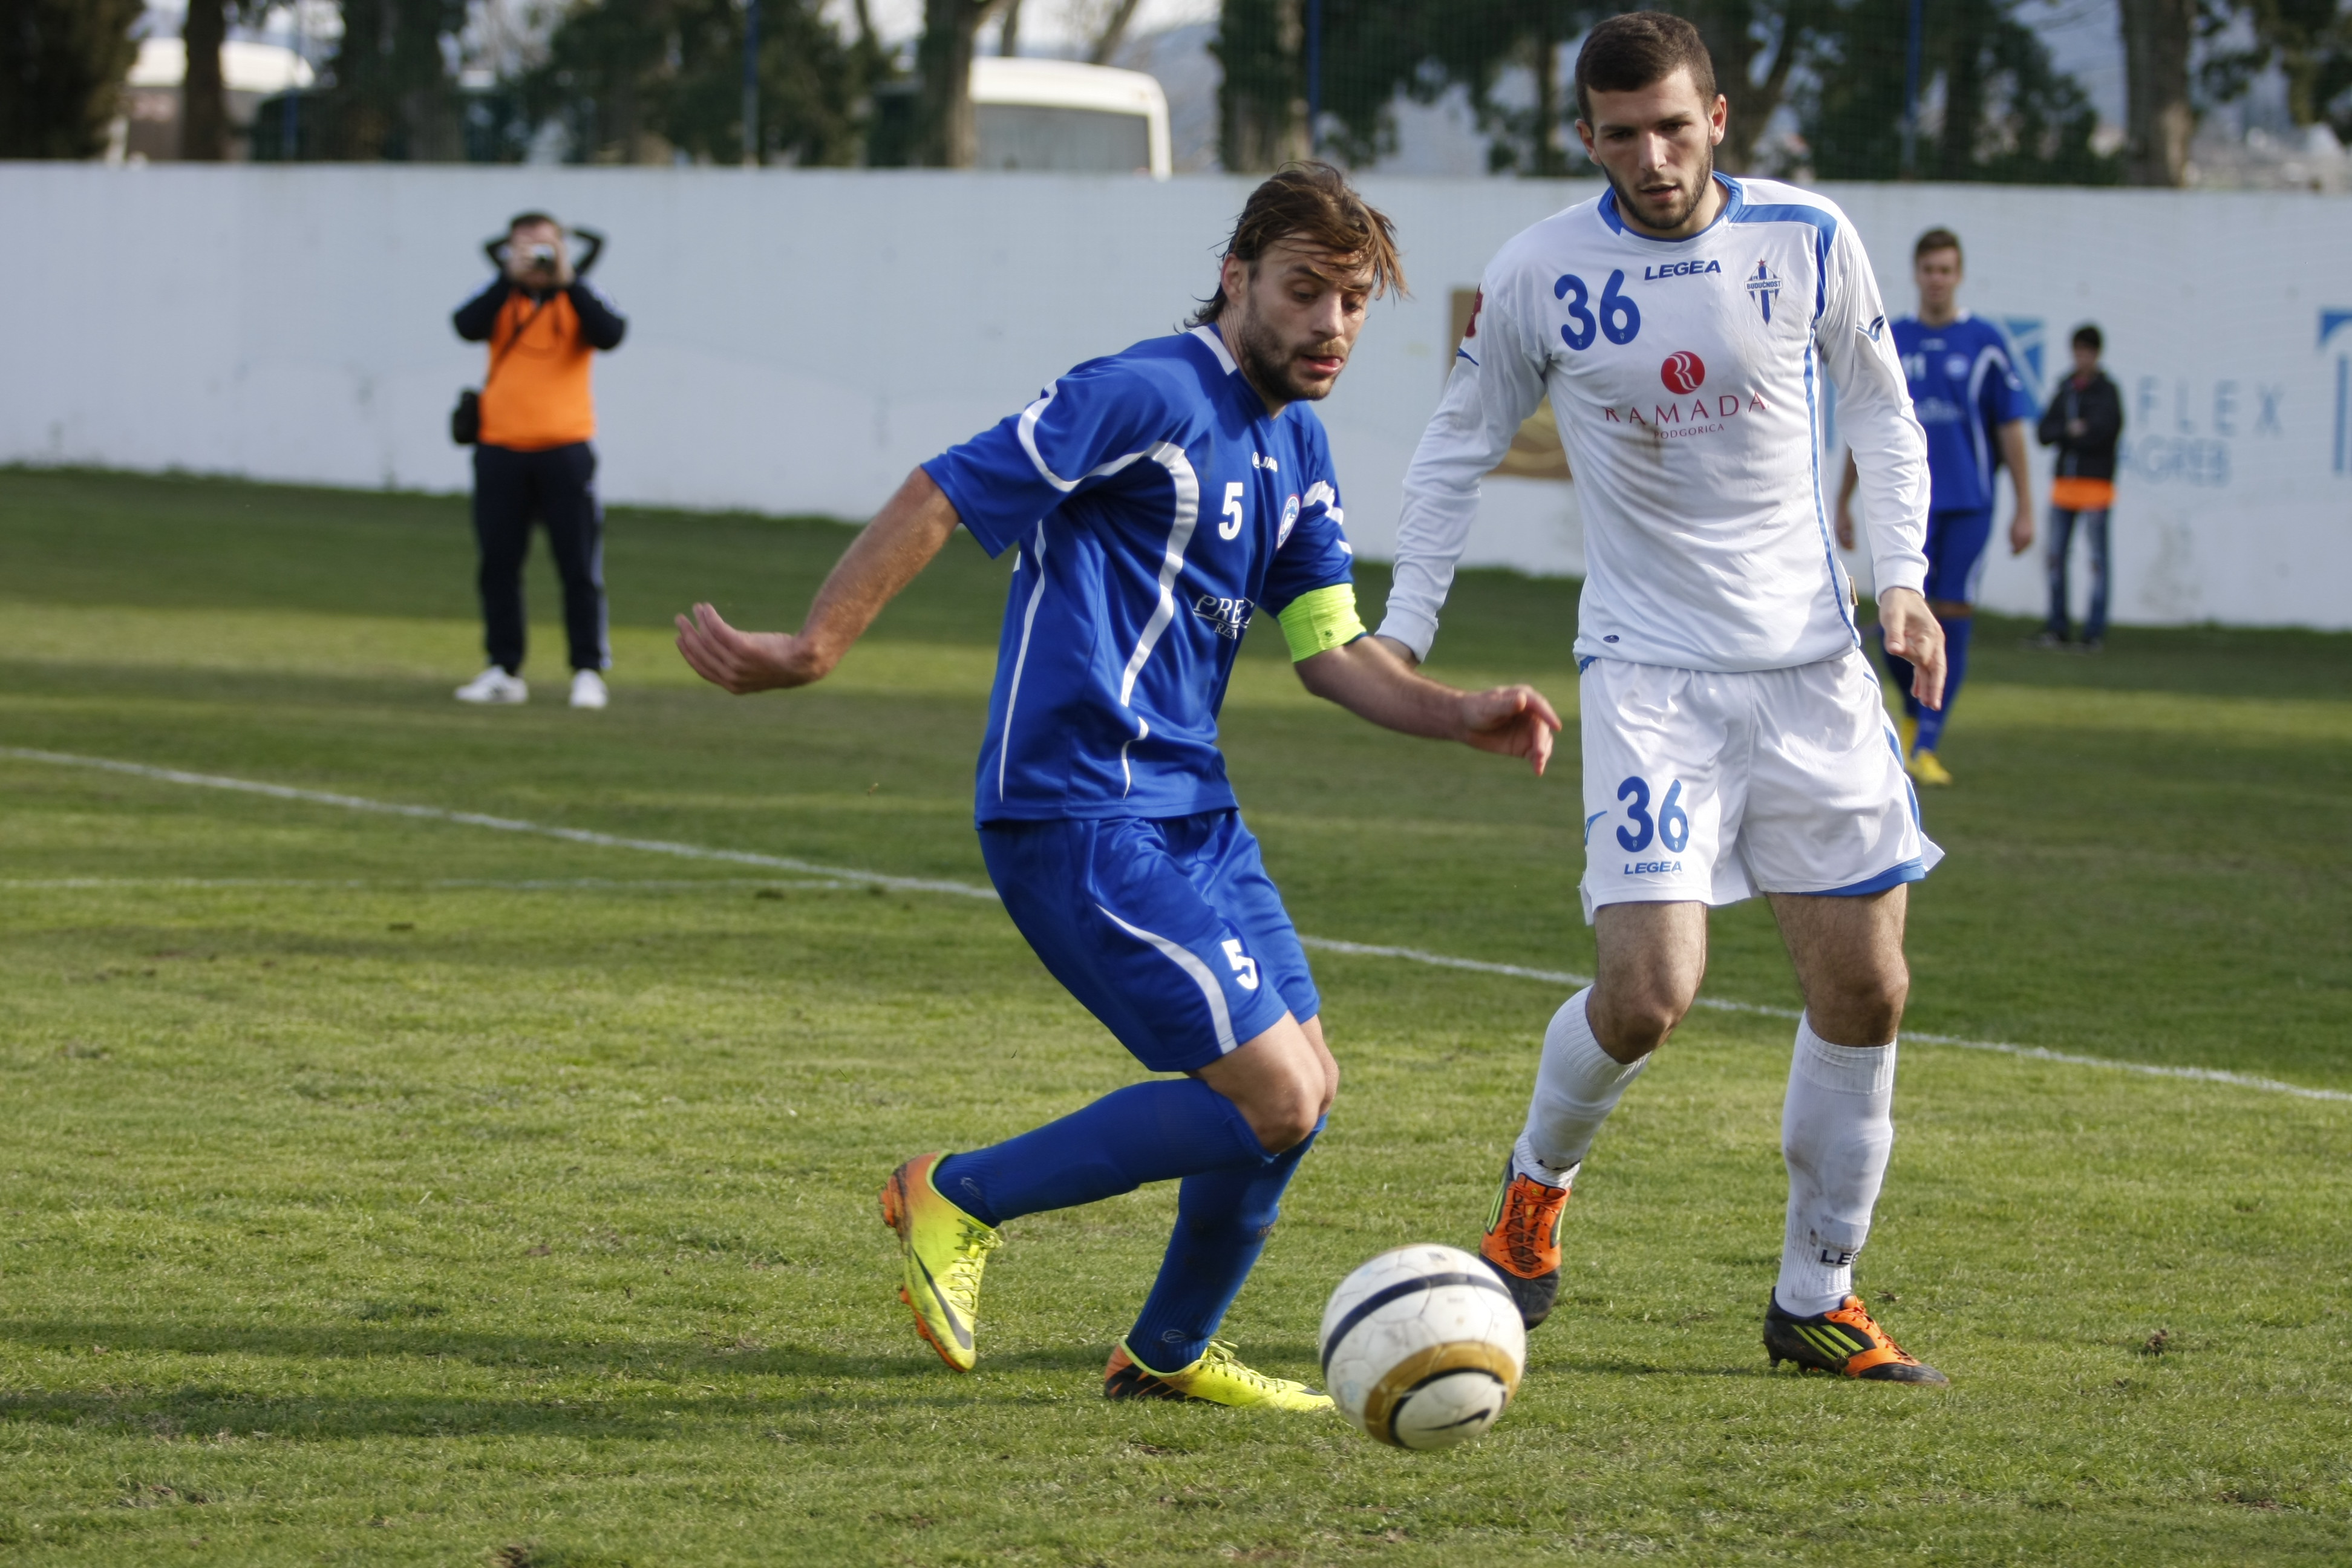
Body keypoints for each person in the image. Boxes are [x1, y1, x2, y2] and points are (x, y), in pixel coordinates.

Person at [674, 165, 1561, 1408]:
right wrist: (816, 645)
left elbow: (1329, 651)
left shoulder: (1299, 443)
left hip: (1193, 816)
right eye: (1305, 292)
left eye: (1355, 303)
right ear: (1235, 277)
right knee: (1275, 1095)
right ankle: (956, 1194)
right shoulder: (1140, 392)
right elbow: (946, 489)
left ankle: (1168, 1355)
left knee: (1303, 1094)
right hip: (1077, 809)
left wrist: (1455, 711)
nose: (1331, 327)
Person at [1377, 13, 1952, 1385]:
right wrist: (1401, 631)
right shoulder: (1538, 274)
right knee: (1645, 995)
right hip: (1646, 680)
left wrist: (1904, 584)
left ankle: (1817, 1292)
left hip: (1813, 673)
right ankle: (1531, 1195)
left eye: (1672, 126)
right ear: (1585, 136)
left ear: (1719, 118)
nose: (1650, 156)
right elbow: (1454, 450)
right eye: (1620, 132)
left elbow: (1881, 410)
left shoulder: (1806, 240)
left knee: (1866, 989)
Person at [1836, 228, 2037, 786]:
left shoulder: (1985, 343)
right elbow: (1869, 424)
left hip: (1969, 503)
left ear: (1959, 275)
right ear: (1917, 274)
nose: (1938, 280)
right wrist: (1843, 501)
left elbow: (2011, 430)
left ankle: (1926, 743)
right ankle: (1911, 716)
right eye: (1929, 270)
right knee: (1898, 623)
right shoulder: (1891, 338)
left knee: (1952, 615)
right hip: (1905, 508)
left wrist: (2025, 507)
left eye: (1947, 270)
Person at [451, 212, 627, 709]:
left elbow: (611, 333)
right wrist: (509, 278)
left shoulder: (579, 298)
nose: (535, 259)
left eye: (545, 248)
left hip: (565, 451)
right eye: (524, 249)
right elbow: (464, 326)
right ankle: (504, 668)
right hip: (500, 449)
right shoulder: (499, 299)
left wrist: (568, 281)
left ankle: (588, 670)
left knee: (578, 566)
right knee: (499, 564)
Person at [2035, 325, 2123, 650]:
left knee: (2097, 562)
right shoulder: (2066, 389)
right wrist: (2073, 430)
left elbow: (2104, 432)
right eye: (2077, 350)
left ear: (2097, 354)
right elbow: (2044, 432)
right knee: (2056, 559)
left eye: (2087, 351)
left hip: (2096, 488)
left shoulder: (2107, 391)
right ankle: (2058, 628)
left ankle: (2093, 632)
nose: (2081, 357)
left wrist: (2072, 432)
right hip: (2064, 487)